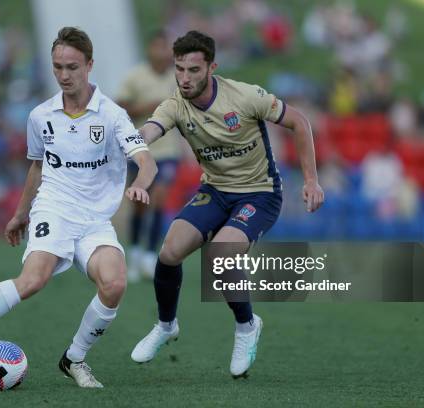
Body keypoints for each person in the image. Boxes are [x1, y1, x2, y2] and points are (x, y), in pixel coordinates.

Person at [0, 27, 157, 389]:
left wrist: (141, 185)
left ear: (89, 65)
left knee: (114, 284)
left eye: (72, 67)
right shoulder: (40, 116)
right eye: (57, 67)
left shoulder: (112, 115)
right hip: (55, 207)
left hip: (95, 219)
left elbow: (146, 162)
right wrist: (21, 213)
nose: (64, 76)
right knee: (33, 280)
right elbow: (37, 166)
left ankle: (74, 359)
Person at [130, 31, 324, 378]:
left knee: (220, 255)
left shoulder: (245, 95)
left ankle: (246, 326)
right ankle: (166, 325)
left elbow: (300, 121)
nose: (184, 78)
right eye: (179, 70)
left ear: (211, 68)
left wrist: (311, 180)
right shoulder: (175, 104)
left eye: (193, 70)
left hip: (260, 194)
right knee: (169, 250)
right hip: (216, 191)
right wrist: (130, 143)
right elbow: (149, 132)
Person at [116, 31, 183, 282]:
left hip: (168, 151)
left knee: (159, 199)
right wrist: (148, 108)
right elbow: (120, 108)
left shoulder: (177, 78)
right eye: (158, 47)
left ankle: (148, 256)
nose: (162, 53)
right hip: (140, 149)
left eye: (166, 49)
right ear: (150, 50)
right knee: (140, 204)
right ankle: (134, 253)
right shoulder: (135, 76)